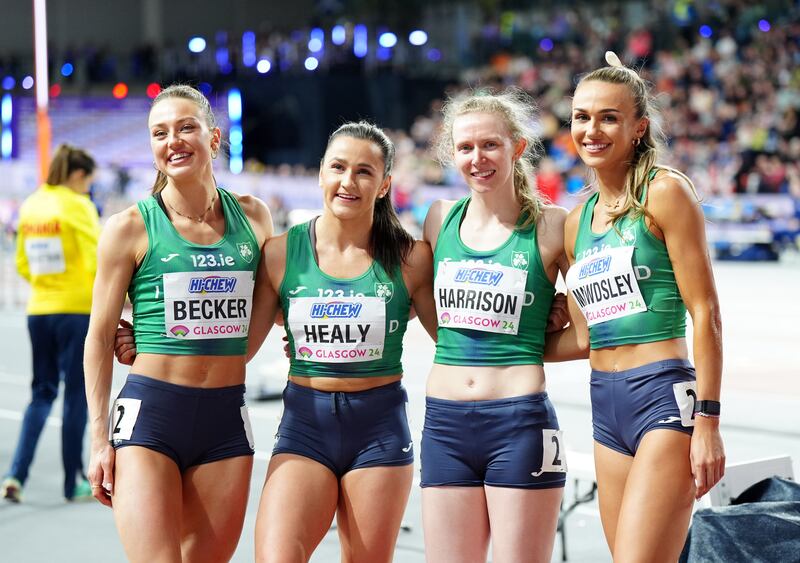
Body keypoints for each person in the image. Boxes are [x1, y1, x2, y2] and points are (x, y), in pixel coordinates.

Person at [83, 84, 273, 562]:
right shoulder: (129, 227)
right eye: (160, 133)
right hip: (152, 417)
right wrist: (99, 438)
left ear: (212, 137)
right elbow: (99, 336)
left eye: (187, 127)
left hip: (225, 420)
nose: (174, 141)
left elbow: (275, 306)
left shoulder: (254, 217)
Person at [552, 52, 726, 561]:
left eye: (609, 117)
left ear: (638, 127)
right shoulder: (575, 220)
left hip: (663, 398)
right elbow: (584, 339)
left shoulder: (665, 193)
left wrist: (708, 423)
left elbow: (706, 313)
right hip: (605, 405)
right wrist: (494, 342)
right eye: (582, 117)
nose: (592, 130)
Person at [253, 122, 437, 563]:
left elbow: (455, 342)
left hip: (379, 430)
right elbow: (236, 346)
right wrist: (141, 339)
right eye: (338, 167)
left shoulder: (411, 259)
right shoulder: (279, 254)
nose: (347, 181)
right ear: (321, 172)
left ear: (384, 183)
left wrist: (543, 323)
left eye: (364, 171)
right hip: (305, 425)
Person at [421, 89, 575, 563]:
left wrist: (526, 342)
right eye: (465, 147)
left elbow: (589, 335)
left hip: (519, 424)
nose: (477, 158)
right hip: (444, 425)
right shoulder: (439, 219)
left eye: (490, 145)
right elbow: (434, 317)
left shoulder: (553, 227)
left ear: (517, 147)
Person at [2, 144, 99, 503]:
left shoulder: (31, 205)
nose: (88, 188)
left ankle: (16, 474)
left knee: (41, 393)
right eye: (88, 181)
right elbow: (97, 261)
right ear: (77, 175)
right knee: (76, 396)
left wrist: (48, 287)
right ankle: (72, 480)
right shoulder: (79, 206)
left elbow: (24, 263)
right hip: (76, 311)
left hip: (39, 310)